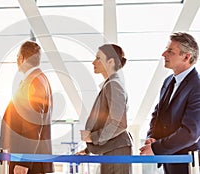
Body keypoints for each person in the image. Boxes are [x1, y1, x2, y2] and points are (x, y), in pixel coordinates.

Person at [140, 32, 200, 174]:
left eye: (170, 51)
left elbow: (191, 132)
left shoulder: (197, 86)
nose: (163, 54)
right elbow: (157, 114)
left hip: (187, 164)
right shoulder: (168, 81)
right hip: (169, 160)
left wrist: (156, 148)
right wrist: (151, 138)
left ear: (186, 57)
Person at [77, 44, 132, 174]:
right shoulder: (110, 84)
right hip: (112, 149)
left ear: (111, 61)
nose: (93, 62)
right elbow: (106, 122)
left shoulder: (114, 85)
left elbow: (118, 123)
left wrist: (92, 137)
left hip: (117, 150)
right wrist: (87, 150)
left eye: (98, 58)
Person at [0, 41, 54, 174]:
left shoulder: (34, 82)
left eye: (17, 56)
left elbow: (33, 125)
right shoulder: (39, 79)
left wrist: (23, 162)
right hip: (30, 161)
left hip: (28, 164)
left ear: (22, 58)